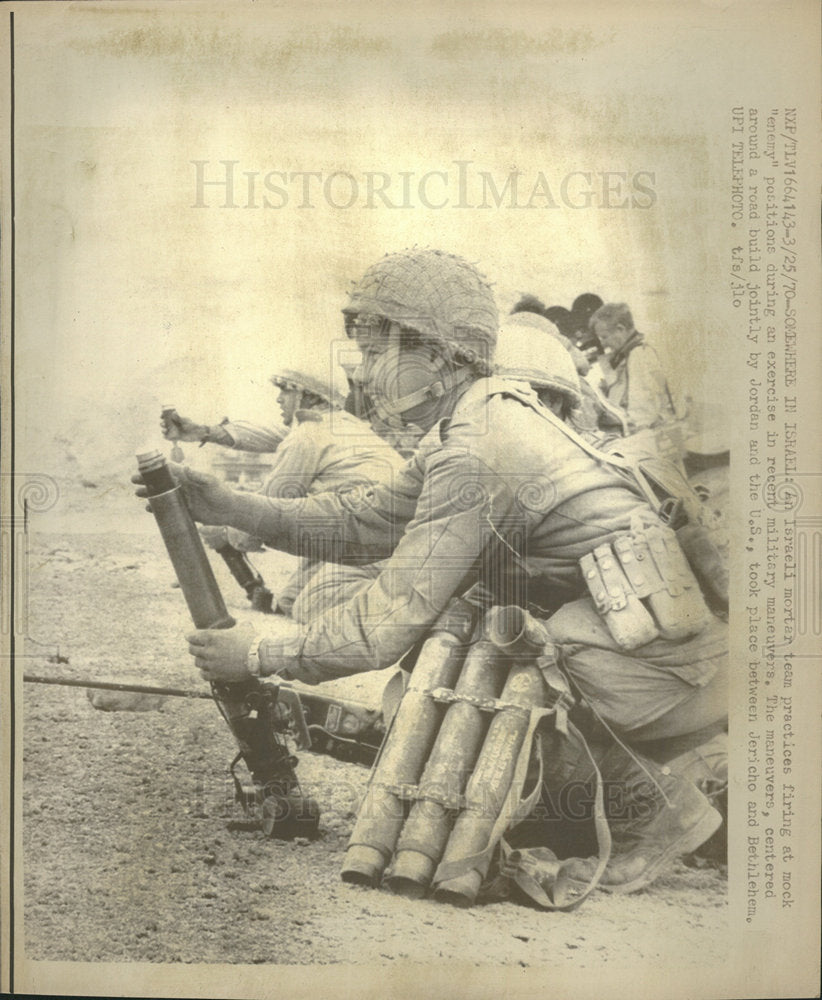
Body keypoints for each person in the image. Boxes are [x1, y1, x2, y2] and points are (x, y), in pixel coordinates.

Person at [145, 248, 727, 893]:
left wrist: (257, 653)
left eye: (374, 355)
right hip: (658, 664)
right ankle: (615, 790)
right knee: (462, 650)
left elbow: (388, 620)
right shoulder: (478, 418)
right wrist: (234, 505)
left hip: (665, 671)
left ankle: (655, 805)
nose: (362, 376)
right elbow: (367, 522)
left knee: (486, 659)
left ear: (440, 355)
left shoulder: (481, 445)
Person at [176, 360, 405, 614]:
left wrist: (225, 533)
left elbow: (263, 515)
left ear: (307, 396)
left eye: (286, 390)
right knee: (290, 601)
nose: (279, 399)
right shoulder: (341, 425)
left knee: (306, 608)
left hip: (374, 546)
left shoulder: (308, 434)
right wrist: (204, 432)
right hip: (389, 537)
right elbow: (272, 435)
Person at [589, 301, 678, 433]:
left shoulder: (639, 354)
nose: (603, 344)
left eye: (604, 337)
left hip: (655, 436)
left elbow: (642, 411)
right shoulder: (630, 354)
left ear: (620, 329)